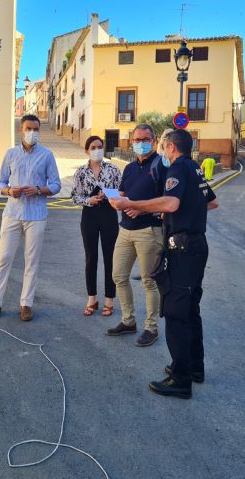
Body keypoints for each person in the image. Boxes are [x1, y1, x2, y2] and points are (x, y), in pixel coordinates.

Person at [110, 129, 219, 399]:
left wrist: (135, 204)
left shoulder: (178, 168)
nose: (161, 149)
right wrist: (178, 210)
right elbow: (212, 202)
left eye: (161, 145)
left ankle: (180, 379)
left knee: (176, 312)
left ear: (170, 147)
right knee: (191, 309)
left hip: (183, 249)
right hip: (197, 246)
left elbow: (170, 202)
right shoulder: (195, 169)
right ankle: (194, 368)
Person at [0, 114, 61, 322]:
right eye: (28, 128)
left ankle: (26, 304)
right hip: (12, 213)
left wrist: (39, 189)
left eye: (36, 129)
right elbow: (1, 182)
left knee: (31, 261)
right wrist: (8, 191)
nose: (32, 132)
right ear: (21, 130)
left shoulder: (47, 155)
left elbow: (56, 185)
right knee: (3, 258)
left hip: (36, 215)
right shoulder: (11, 153)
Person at [105, 124, 168, 347]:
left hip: (149, 231)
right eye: (137, 140)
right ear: (132, 142)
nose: (141, 143)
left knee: (149, 281)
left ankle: (151, 328)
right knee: (118, 276)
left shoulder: (162, 165)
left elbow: (168, 201)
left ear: (154, 141)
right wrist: (115, 200)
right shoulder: (130, 168)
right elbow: (123, 194)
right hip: (125, 229)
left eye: (145, 139)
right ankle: (128, 321)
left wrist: (141, 208)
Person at [71, 135, 122, 316]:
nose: (97, 150)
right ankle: (92, 298)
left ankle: (109, 299)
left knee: (110, 258)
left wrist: (108, 195)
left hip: (109, 214)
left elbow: (122, 192)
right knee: (90, 257)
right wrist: (89, 200)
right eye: (93, 147)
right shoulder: (80, 172)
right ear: (87, 150)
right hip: (89, 215)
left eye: (99, 146)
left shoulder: (113, 169)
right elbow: (75, 196)